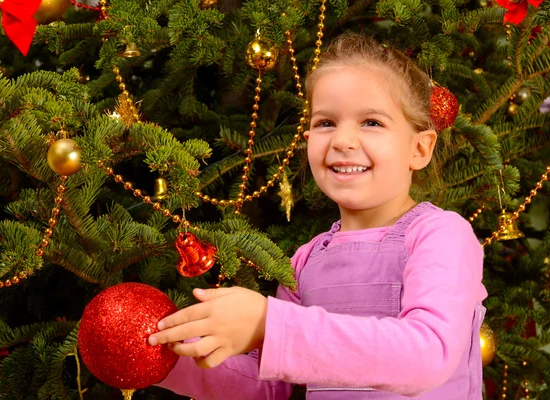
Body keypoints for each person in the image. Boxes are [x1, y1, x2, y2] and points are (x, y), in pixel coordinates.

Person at [148, 32, 487, 399]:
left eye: (371, 122)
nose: (342, 140)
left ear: (419, 148)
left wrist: (270, 324)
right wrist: (161, 357)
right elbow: (268, 388)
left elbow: (427, 355)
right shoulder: (305, 262)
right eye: (326, 122)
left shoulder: (441, 236)